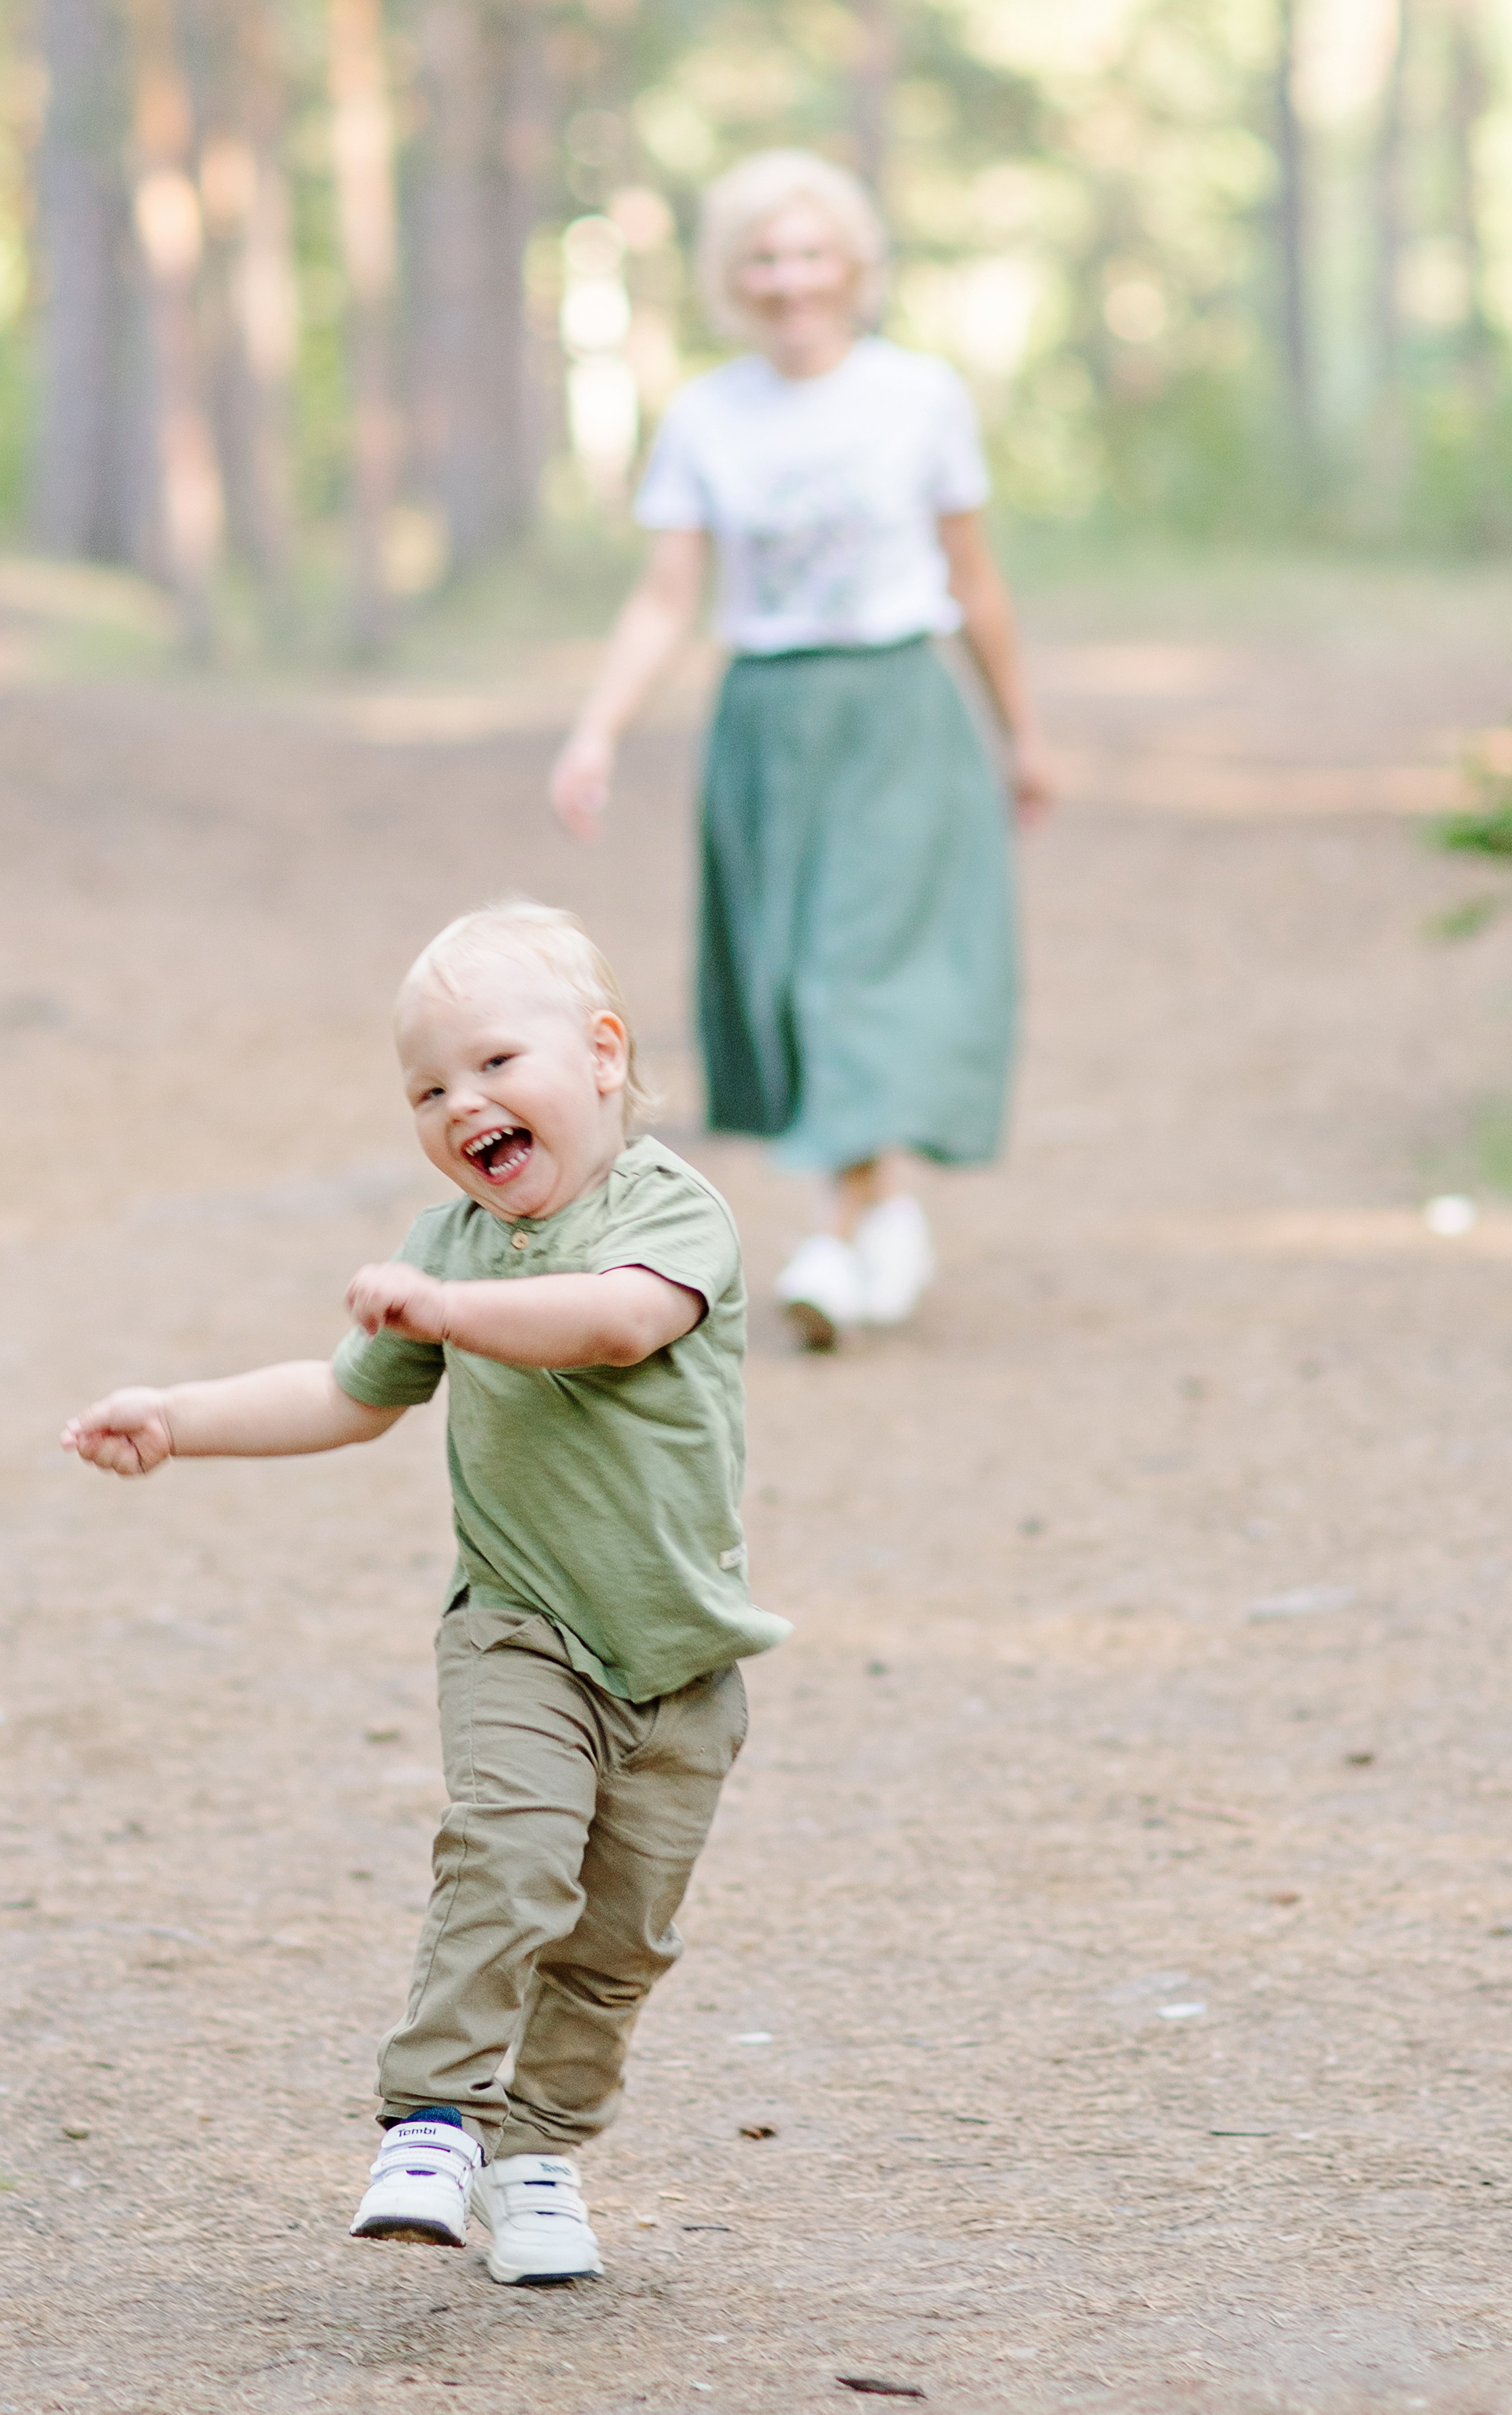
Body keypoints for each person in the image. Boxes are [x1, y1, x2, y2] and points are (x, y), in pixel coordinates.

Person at [61, 900, 788, 2287]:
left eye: (495, 1065)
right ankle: (435, 2118)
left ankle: (538, 2155)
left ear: (602, 1056)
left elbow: (616, 1321)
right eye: (427, 1088)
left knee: (616, 1939)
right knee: (507, 1862)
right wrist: (179, 1412)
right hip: (520, 1630)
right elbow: (342, 1395)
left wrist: (447, 1312)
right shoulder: (444, 1247)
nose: (463, 1105)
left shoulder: (669, 1211)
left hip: (681, 1657)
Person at [551, 148, 1057, 1350]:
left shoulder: (918, 397)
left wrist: (1022, 736)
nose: (792, 279)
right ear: (736, 276)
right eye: (766, 257)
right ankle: (882, 1215)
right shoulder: (708, 416)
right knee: (788, 974)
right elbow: (669, 596)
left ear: (854, 265)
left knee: (851, 965)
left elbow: (973, 580)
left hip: (896, 710)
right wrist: (598, 728)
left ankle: (839, 1233)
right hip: (768, 724)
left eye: (812, 252)